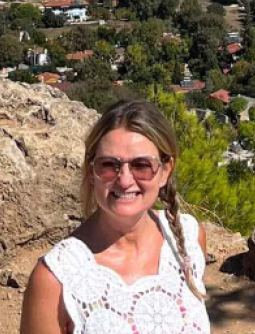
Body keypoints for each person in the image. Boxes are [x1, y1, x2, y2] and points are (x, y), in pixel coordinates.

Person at [21, 99, 210, 334]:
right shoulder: (56, 278)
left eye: (141, 165)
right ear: (92, 172)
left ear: (165, 171)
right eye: (109, 165)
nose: (125, 180)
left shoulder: (190, 239)